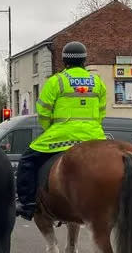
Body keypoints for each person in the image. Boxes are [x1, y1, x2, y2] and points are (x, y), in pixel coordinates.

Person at [15, 41, 107, 220]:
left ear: (64, 61)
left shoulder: (56, 81)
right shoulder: (97, 82)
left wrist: (50, 129)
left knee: (27, 160)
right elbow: (102, 112)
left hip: (61, 135)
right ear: (84, 60)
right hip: (94, 137)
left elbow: (43, 110)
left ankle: (26, 203)